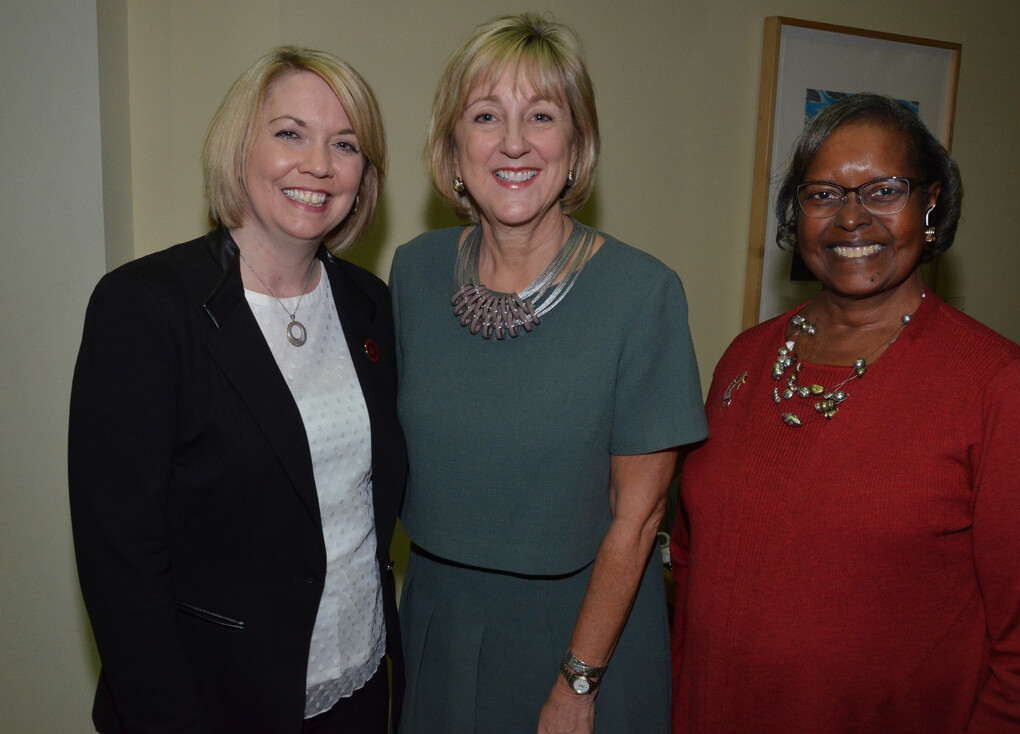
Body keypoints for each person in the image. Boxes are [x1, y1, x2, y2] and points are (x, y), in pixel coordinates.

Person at [671, 92, 1020, 733]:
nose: (851, 219)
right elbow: (698, 566)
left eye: (883, 191)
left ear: (931, 205)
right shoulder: (743, 361)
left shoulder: (994, 386)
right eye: (823, 195)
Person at [69, 46, 406, 734]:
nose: (318, 164)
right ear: (239, 147)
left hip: (360, 683)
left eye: (345, 145)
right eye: (290, 133)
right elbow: (121, 566)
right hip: (213, 705)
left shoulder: (371, 305)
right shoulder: (144, 307)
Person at [388, 13, 707, 734]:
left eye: (540, 114)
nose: (512, 142)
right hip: (436, 621)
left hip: (582, 637)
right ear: (454, 148)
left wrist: (579, 681)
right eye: (485, 115)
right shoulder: (414, 272)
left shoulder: (642, 293)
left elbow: (641, 516)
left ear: (576, 145)